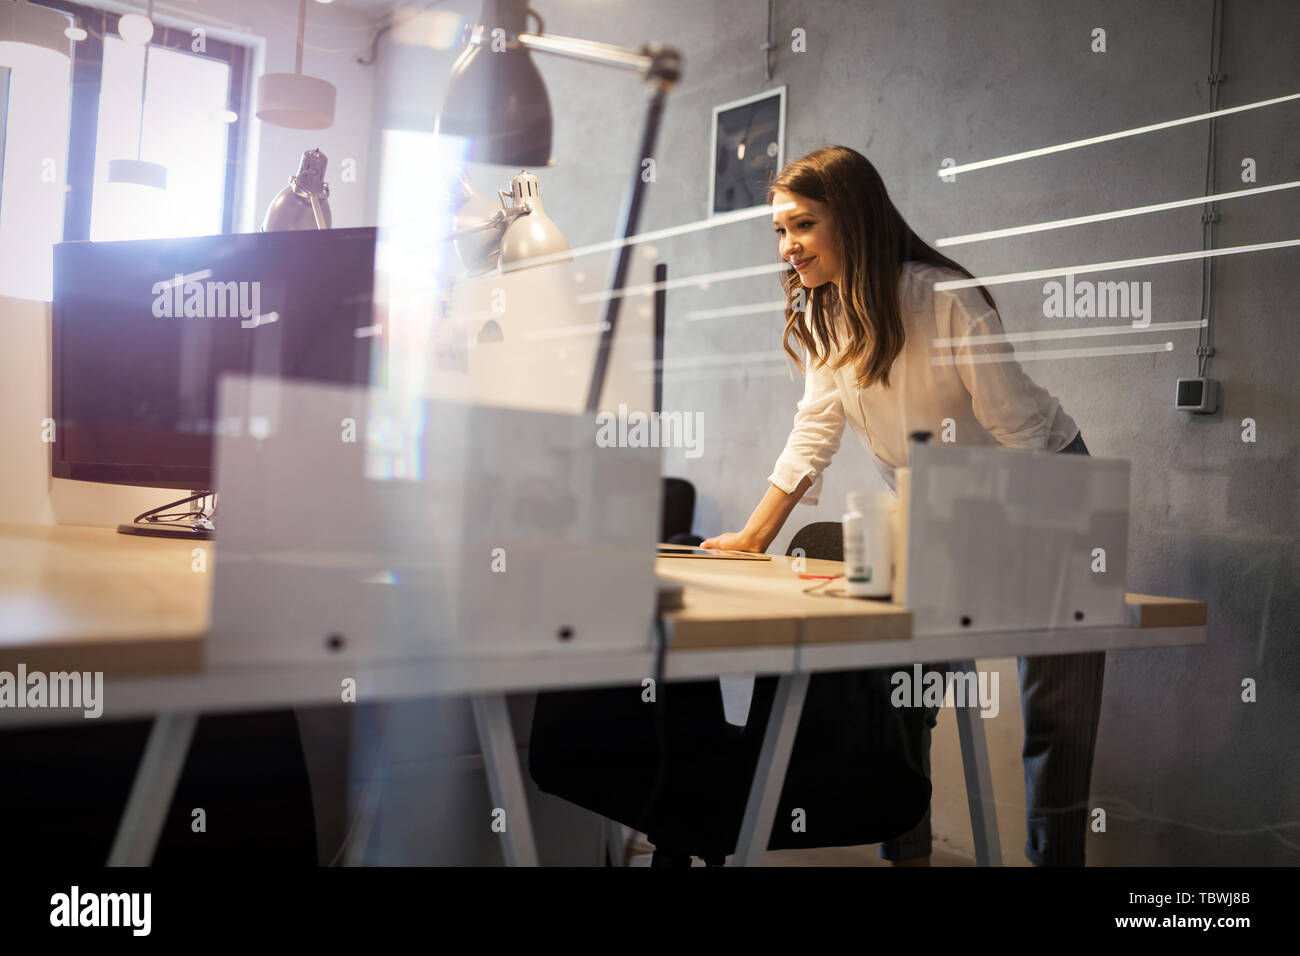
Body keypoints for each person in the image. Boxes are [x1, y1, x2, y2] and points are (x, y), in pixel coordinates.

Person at [701, 145, 1104, 867]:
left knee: (1056, 723)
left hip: (1051, 485)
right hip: (941, 505)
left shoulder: (946, 300)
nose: (787, 246)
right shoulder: (827, 313)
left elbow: (1023, 435)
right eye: (778, 231)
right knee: (907, 687)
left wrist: (971, 542)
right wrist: (755, 535)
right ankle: (907, 857)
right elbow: (815, 429)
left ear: (852, 220)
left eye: (802, 226)